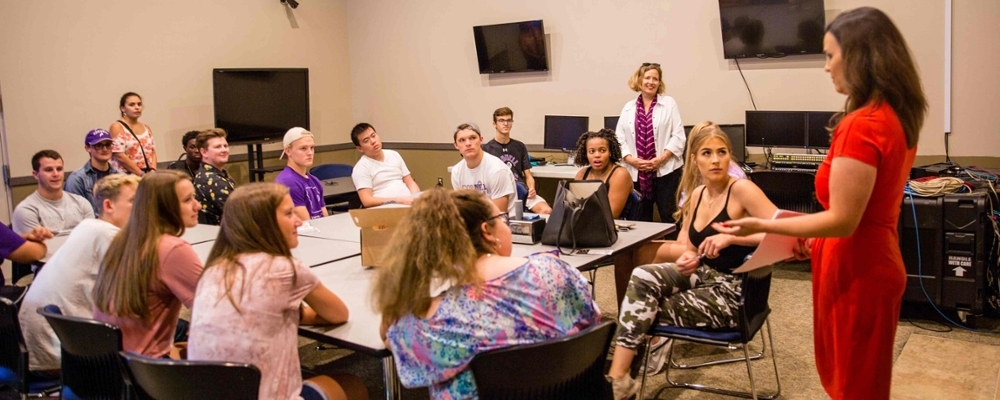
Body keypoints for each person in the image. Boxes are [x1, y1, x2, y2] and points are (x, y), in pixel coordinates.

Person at [715, 8, 928, 399]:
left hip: (857, 270)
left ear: (860, 56)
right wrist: (807, 237)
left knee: (853, 387)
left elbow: (843, 221)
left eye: (831, 56)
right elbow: (857, 216)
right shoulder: (894, 114)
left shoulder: (863, 124)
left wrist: (763, 226)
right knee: (861, 383)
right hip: (867, 259)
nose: (826, 67)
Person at [373, 189, 600, 399]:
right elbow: (592, 321)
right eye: (501, 219)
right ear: (487, 231)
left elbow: (389, 336)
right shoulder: (554, 270)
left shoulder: (433, 321)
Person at [605, 123, 777, 399]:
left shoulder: (742, 190)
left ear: (729, 156)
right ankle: (619, 379)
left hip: (735, 294)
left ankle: (617, 384)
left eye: (722, 152)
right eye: (706, 153)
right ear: (695, 160)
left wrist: (733, 238)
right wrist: (687, 256)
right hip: (703, 277)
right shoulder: (697, 195)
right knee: (642, 277)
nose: (715, 159)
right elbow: (687, 246)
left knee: (641, 310)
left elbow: (787, 234)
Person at [188, 183, 367, 400]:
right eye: (289, 213)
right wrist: (297, 315)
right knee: (352, 385)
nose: (299, 221)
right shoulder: (285, 270)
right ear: (264, 223)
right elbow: (339, 314)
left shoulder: (213, 269)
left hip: (205, 391)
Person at [20, 174, 139, 372]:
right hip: (65, 355)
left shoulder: (88, 226)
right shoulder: (109, 236)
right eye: (134, 201)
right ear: (109, 206)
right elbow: (136, 298)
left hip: (40, 346)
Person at [92, 170, 204, 358]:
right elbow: (216, 308)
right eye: (188, 200)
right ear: (164, 207)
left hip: (110, 367)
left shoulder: (122, 240)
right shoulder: (172, 249)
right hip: (148, 374)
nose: (198, 206)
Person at [614, 63, 686, 223]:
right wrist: (630, 159)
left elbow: (679, 135)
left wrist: (661, 159)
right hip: (636, 173)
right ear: (639, 80)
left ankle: (676, 248)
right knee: (640, 220)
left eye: (655, 79)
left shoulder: (669, 104)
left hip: (666, 172)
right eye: (647, 78)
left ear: (659, 83)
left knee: (671, 217)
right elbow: (619, 138)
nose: (651, 82)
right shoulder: (628, 107)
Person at [482, 107, 551, 214]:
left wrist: (531, 188)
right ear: (494, 124)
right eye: (501, 120)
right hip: (500, 192)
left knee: (546, 210)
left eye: (509, 120)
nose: (506, 124)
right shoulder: (487, 149)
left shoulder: (519, 146)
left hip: (521, 190)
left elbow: (528, 176)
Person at [12, 150, 94, 235]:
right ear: (36, 175)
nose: (56, 174)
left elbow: (92, 238)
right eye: (48, 170)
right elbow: (34, 247)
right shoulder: (26, 210)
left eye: (59, 169)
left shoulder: (82, 203)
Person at [450, 123, 517, 216]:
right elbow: (461, 209)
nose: (468, 143)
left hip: (502, 224)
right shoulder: (456, 171)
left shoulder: (497, 170)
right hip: (473, 223)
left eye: (473, 138)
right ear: (456, 145)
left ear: (481, 140)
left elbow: (498, 215)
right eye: (462, 140)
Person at [350, 123, 420, 207]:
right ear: (360, 148)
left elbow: (410, 182)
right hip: (385, 209)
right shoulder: (361, 167)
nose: (373, 141)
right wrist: (398, 200)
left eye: (373, 136)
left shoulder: (394, 155)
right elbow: (367, 201)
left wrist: (417, 198)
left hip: (409, 205)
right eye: (366, 140)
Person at [572, 128, 634, 218]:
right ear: (586, 154)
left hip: (616, 228)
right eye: (591, 151)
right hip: (587, 225)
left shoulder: (620, 174)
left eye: (602, 150)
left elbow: (611, 214)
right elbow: (573, 208)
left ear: (610, 152)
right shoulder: (581, 174)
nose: (597, 155)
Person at [275, 127, 329, 220]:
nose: (310, 153)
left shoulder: (314, 180)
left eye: (312, 148)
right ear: (288, 151)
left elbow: (326, 219)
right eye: (303, 148)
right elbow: (305, 223)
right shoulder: (288, 182)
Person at [65, 129, 121, 214]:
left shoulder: (119, 175)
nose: (105, 149)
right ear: (87, 148)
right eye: (99, 145)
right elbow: (74, 214)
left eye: (108, 144)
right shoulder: (77, 179)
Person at [192, 128, 235, 225]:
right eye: (218, 147)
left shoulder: (206, 174)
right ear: (204, 152)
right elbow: (238, 215)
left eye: (225, 146)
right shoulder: (213, 180)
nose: (224, 150)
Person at [109, 92, 157, 175]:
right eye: (132, 105)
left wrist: (153, 170)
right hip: (125, 176)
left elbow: (153, 151)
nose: (137, 107)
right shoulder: (117, 126)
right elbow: (119, 155)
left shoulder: (146, 127)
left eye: (139, 104)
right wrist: (140, 174)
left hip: (147, 174)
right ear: (123, 108)